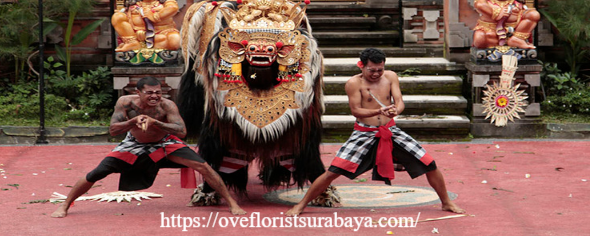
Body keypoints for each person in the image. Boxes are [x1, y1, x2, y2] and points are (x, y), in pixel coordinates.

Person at [285, 48, 464, 216]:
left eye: (380, 69)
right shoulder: (353, 83)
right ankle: (301, 205)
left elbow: (399, 101)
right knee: (332, 172)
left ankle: (446, 201)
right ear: (361, 65)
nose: (376, 73)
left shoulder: (391, 77)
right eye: (372, 70)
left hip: (390, 130)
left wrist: (396, 110)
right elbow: (356, 110)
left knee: (430, 164)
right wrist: (378, 111)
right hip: (364, 133)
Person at [51, 77, 246, 217]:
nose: (155, 96)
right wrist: (133, 121)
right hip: (133, 144)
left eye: (158, 92)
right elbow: (112, 130)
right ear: (138, 93)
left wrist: (156, 123)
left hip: (164, 143)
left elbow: (181, 131)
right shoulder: (125, 103)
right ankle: (65, 205)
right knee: (98, 172)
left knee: (203, 166)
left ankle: (232, 203)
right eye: (150, 93)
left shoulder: (167, 106)